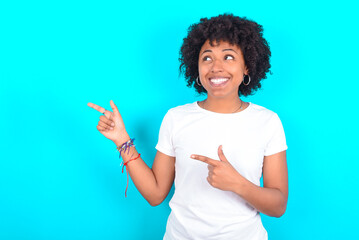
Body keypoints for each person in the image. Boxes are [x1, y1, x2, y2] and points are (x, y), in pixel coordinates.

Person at [88, 13, 288, 240]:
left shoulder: (268, 122)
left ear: (247, 68)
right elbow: (155, 195)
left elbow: (278, 205)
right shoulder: (176, 118)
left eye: (229, 57)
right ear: (197, 66)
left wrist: (238, 184)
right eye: (207, 58)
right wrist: (122, 140)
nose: (216, 67)